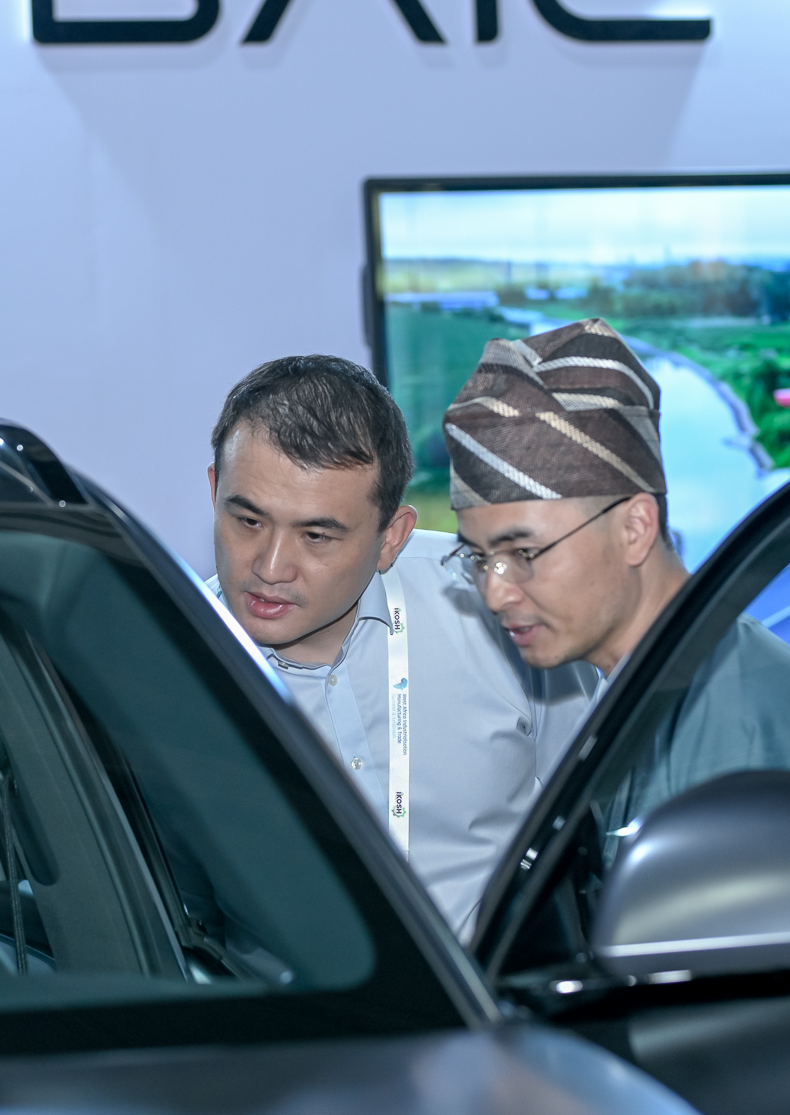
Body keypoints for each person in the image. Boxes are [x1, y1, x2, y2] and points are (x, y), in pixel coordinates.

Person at [206, 355, 595, 938]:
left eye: (316, 535)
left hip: (504, 985)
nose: (271, 567)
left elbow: (595, 798)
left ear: (391, 537)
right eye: (249, 522)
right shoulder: (165, 664)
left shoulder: (501, 610)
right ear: (215, 490)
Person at [442, 319, 790, 838]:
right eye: (478, 557)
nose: (495, 592)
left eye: (524, 552)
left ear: (635, 528)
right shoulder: (640, 685)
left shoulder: (751, 717)